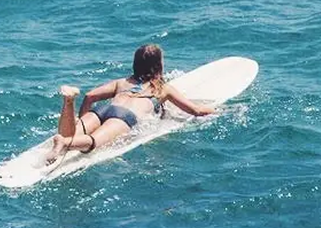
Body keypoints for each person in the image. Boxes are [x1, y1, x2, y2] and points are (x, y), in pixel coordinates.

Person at [45, 43, 216, 163]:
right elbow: (196, 110)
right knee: (94, 141)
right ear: (158, 66)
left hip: (104, 109)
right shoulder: (163, 89)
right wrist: (217, 110)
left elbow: (90, 96)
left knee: (69, 133)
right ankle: (65, 143)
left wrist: (82, 119)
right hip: (124, 118)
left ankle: (68, 102)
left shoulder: (123, 82)